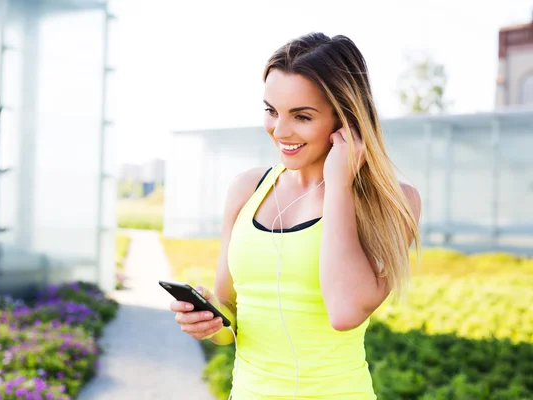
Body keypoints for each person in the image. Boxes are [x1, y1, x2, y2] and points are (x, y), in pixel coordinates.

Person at [169, 32, 421, 399]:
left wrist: (339, 184)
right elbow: (231, 321)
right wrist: (209, 321)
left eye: (301, 116)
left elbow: (345, 312)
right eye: (271, 111)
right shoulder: (246, 190)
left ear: (345, 119)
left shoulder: (393, 202)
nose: (280, 131)